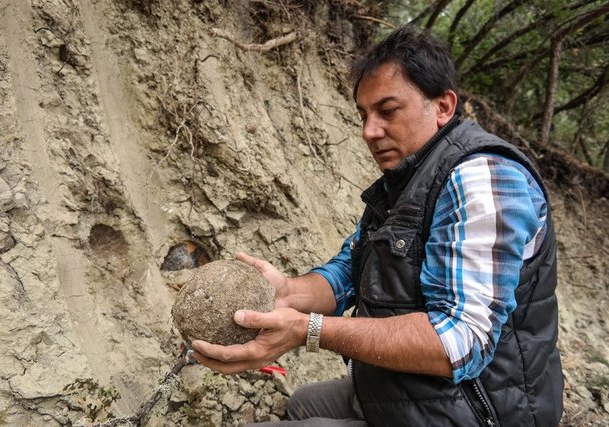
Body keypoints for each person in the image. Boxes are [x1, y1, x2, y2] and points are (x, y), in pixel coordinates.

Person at [192, 25, 564, 426]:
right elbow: (350, 273)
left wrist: (308, 330)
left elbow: (459, 342)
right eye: (364, 115)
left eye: (388, 111)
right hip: (422, 393)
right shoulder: (405, 180)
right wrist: (290, 292)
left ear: (443, 107)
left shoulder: (483, 180)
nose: (370, 131)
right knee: (303, 403)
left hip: (481, 410)